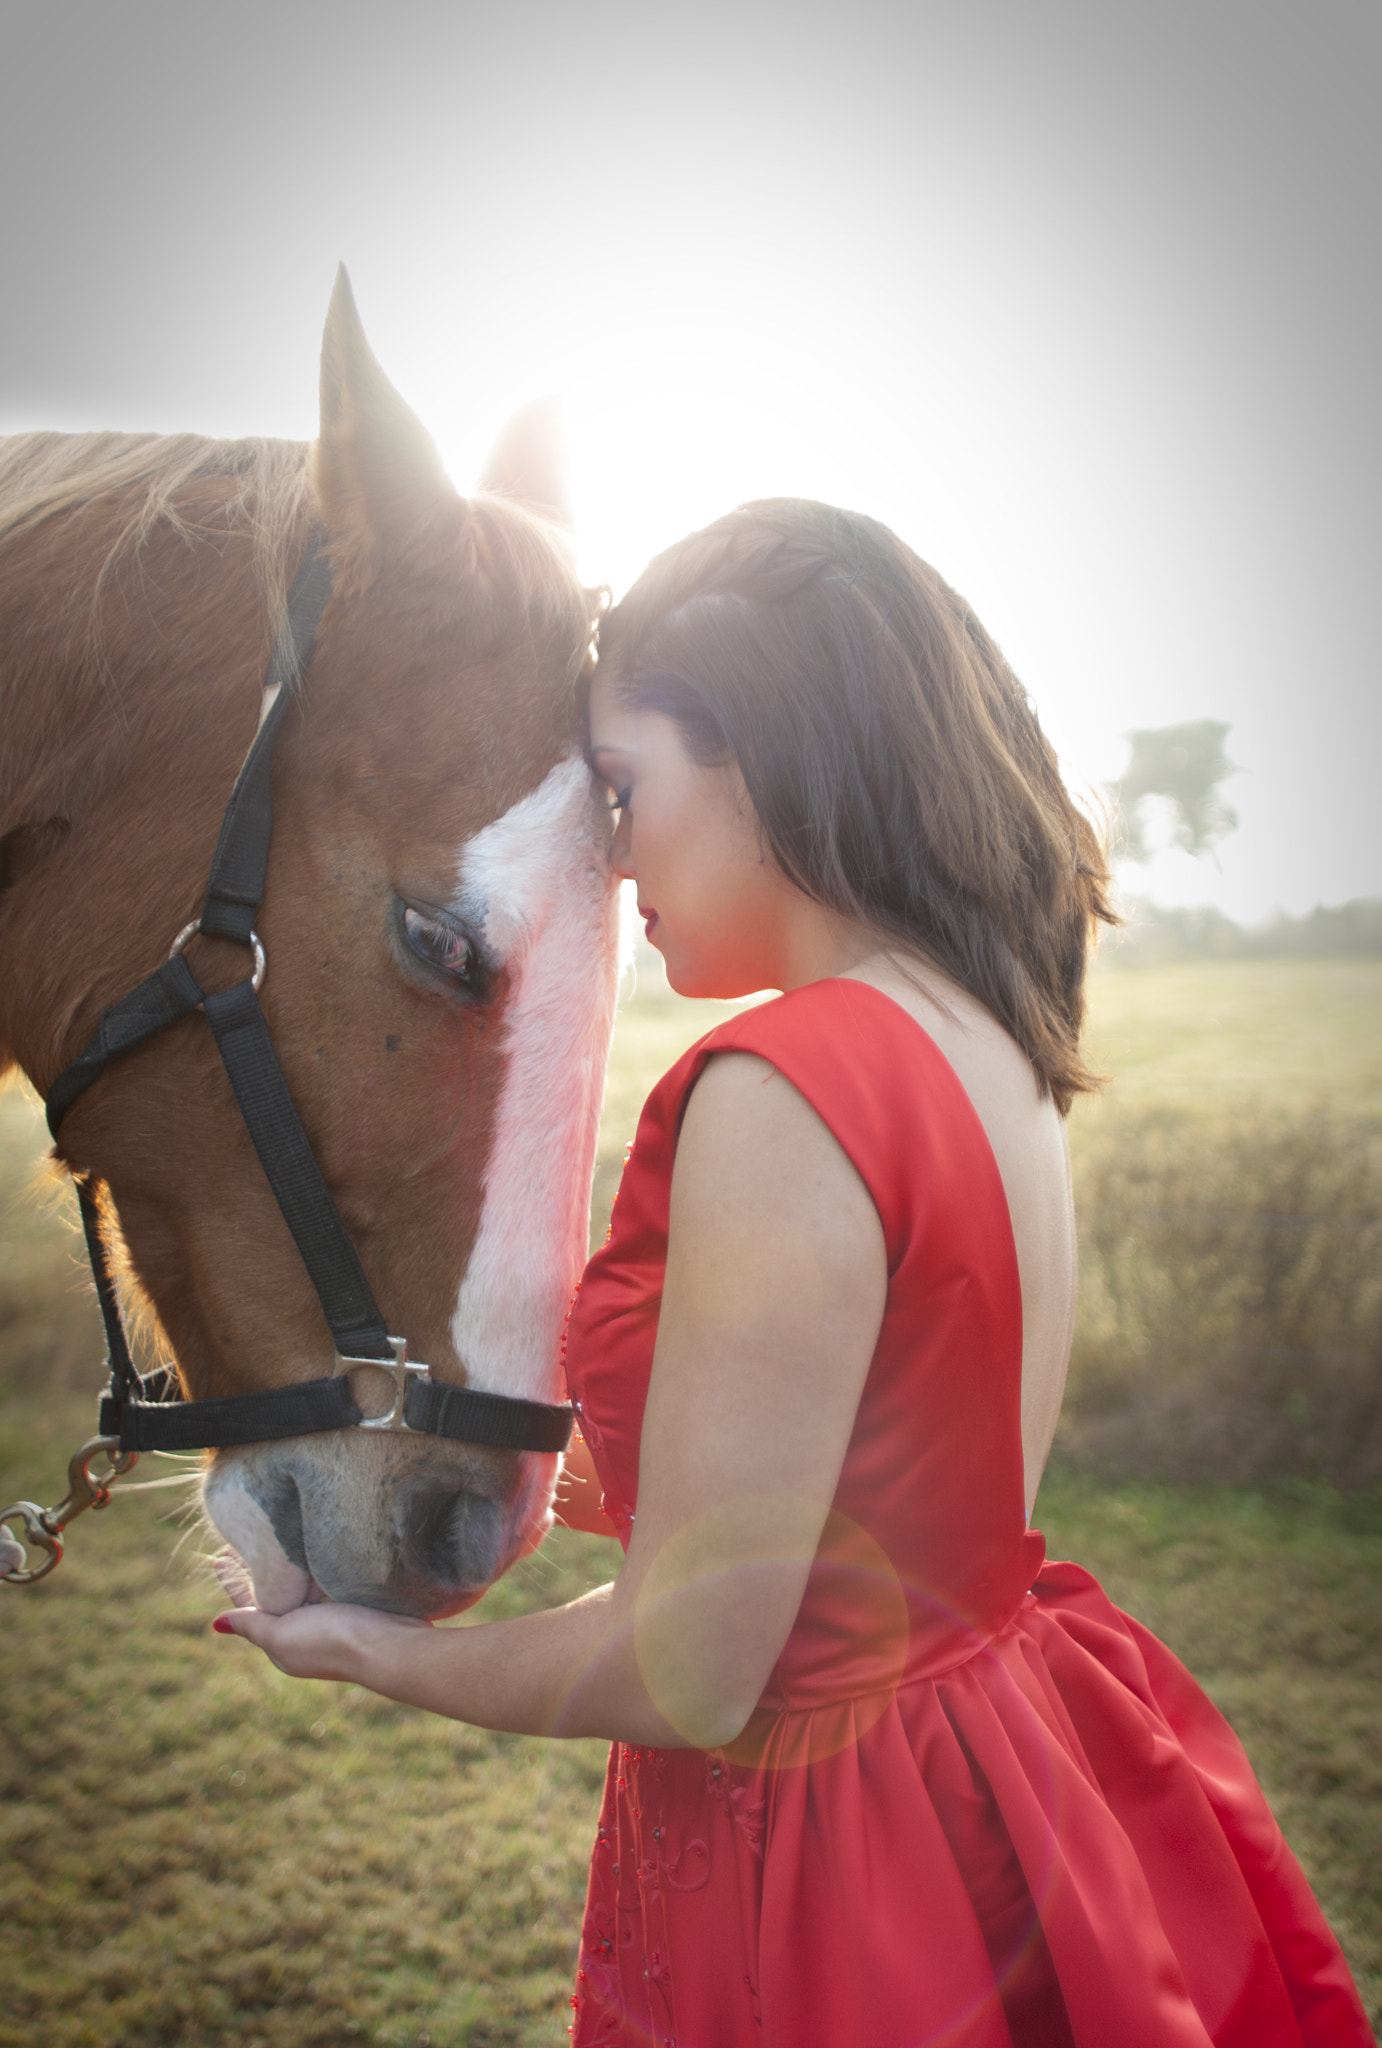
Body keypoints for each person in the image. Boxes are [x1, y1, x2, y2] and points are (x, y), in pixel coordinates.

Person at [216, 500, 1372, 2047]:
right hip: (1001, 1746)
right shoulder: (989, 1040)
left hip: (837, 1845)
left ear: (764, 754)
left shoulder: (779, 1087)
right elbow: (852, 1482)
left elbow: (690, 1667)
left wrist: (369, 1652)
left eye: (624, 788)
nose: (613, 859)